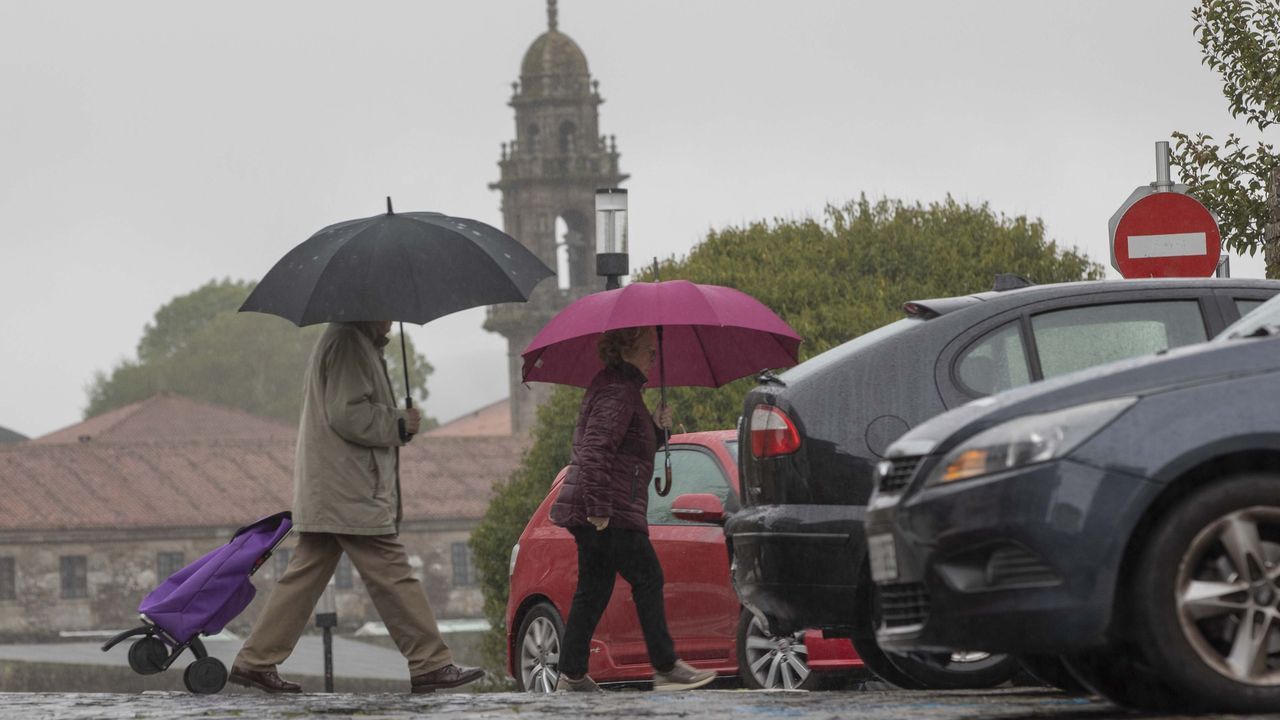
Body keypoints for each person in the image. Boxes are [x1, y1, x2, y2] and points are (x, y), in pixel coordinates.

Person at [229, 320, 483, 694]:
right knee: (392, 571)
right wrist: (399, 422)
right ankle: (431, 662)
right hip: (349, 488)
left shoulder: (351, 340)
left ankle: (255, 660)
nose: (392, 317)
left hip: (332, 485)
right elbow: (347, 413)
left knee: (303, 577)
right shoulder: (349, 342)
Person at [549, 326, 717, 692]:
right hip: (609, 508)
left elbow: (627, 448)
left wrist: (657, 430)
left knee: (594, 587)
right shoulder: (618, 391)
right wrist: (599, 508)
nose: (653, 359)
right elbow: (596, 450)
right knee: (648, 577)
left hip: (604, 505)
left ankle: (572, 675)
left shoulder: (621, 389)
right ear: (625, 351)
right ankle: (666, 665)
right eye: (647, 351)